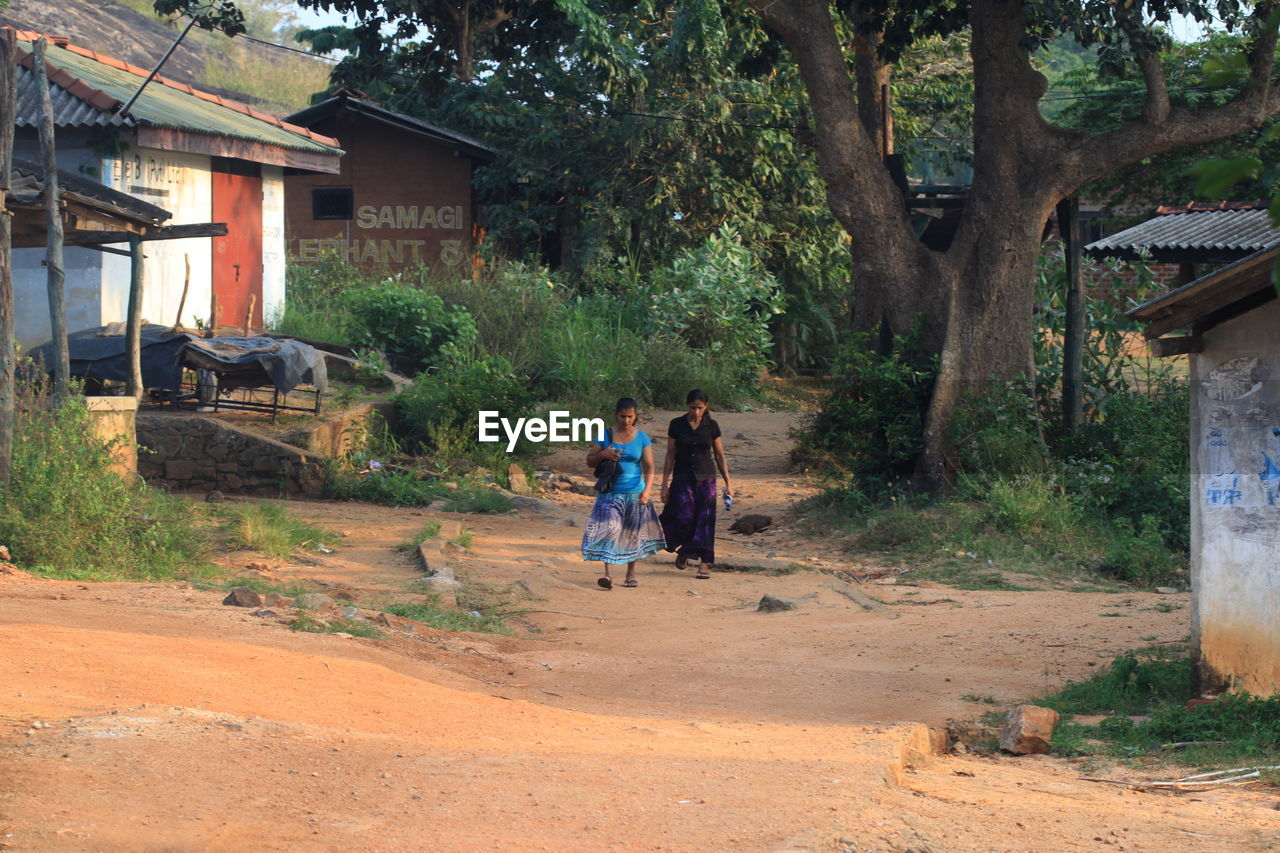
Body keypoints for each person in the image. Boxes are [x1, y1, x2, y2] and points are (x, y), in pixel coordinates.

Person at [581, 397, 665, 588]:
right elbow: (590, 460)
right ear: (616, 415)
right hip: (610, 493)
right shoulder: (606, 435)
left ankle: (631, 573)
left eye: (630, 417)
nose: (626, 420)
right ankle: (608, 574)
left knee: (632, 533)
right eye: (622, 416)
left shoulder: (642, 437)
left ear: (635, 416)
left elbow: (650, 466)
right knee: (610, 528)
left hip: (635, 492)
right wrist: (603, 454)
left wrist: (647, 491)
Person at [659, 389, 732, 579]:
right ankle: (686, 550)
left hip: (706, 477)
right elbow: (670, 455)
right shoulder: (676, 425)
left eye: (700, 408)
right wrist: (664, 484)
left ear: (706, 406)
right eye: (693, 407)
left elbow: (719, 455)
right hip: (682, 477)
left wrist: (728, 483)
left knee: (705, 521)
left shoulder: (712, 426)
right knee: (683, 516)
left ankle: (704, 564)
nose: (696, 412)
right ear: (687, 405)